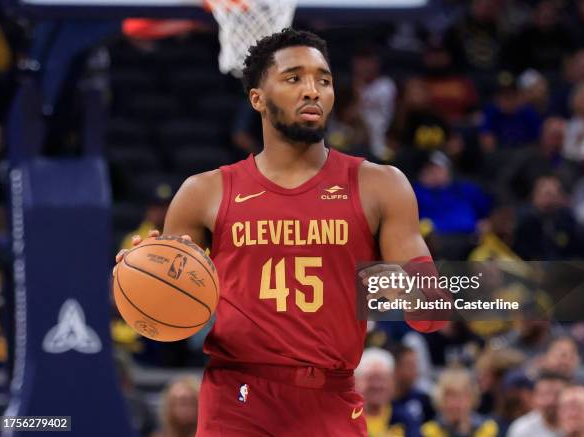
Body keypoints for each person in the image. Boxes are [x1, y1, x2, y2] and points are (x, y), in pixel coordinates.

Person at [115, 28, 447, 436]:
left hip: (331, 395)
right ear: (257, 98)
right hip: (237, 398)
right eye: (294, 78)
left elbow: (433, 313)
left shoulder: (380, 185)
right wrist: (144, 277)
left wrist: (397, 284)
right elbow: (167, 324)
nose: (312, 90)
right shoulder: (204, 192)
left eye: (323, 80)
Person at [356, 347, 421, 437]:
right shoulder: (347, 418)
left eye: (382, 379)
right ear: (356, 381)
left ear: (392, 382)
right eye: (370, 378)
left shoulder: (405, 419)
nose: (377, 385)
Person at [421, 368, 499, 437]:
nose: (455, 404)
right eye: (450, 397)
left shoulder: (488, 429)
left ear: (472, 398)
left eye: (461, 397)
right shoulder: (428, 432)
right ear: (440, 400)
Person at [507, 370, 569, 437]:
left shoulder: (577, 424)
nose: (551, 401)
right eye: (544, 395)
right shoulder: (522, 428)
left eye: (557, 394)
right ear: (534, 397)